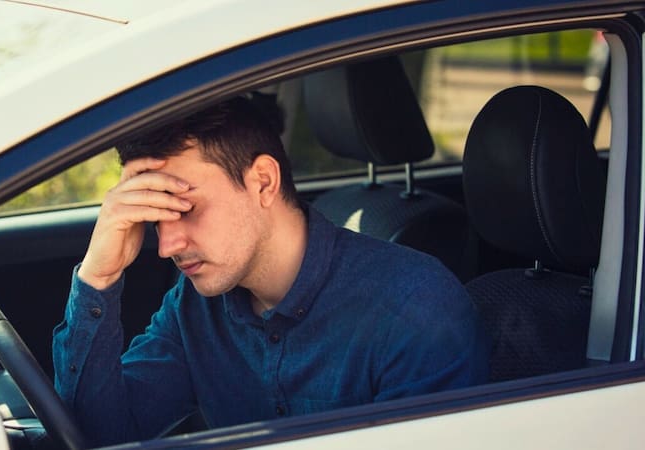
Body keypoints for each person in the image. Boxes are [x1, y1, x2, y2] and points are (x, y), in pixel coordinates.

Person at [53, 96, 488, 446]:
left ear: (263, 181)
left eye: (185, 208)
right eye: (155, 218)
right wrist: (100, 276)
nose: (167, 246)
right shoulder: (196, 307)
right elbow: (103, 437)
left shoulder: (416, 310)